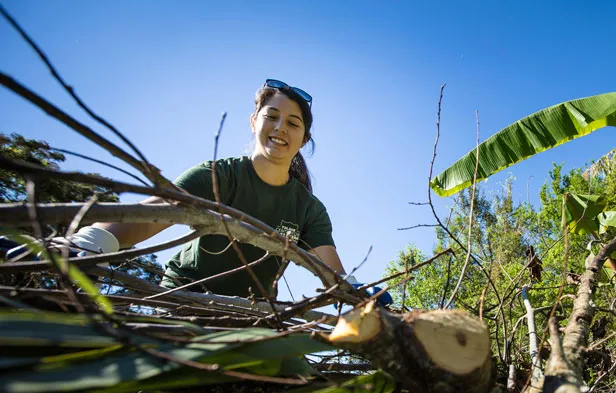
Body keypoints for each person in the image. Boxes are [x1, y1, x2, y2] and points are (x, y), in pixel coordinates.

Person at [6, 79, 391, 305]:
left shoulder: (309, 209)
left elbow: (331, 272)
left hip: (253, 314)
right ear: (254, 121)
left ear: (304, 138)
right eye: (272, 116)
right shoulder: (217, 176)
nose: (281, 128)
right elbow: (155, 212)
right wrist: (88, 243)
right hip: (183, 297)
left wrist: (362, 297)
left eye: (293, 123)